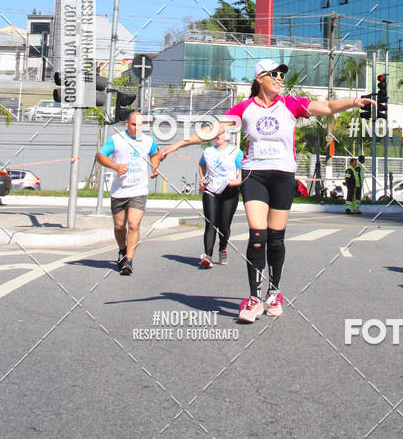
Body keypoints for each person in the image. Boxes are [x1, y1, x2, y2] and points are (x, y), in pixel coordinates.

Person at [160, 58, 375, 322]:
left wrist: (354, 102)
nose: (280, 79)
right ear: (259, 78)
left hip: (283, 175)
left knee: (276, 238)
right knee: (257, 234)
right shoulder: (244, 108)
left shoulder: (291, 105)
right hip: (254, 176)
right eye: (274, 74)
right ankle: (253, 298)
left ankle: (274, 292)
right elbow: (212, 129)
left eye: (282, 75)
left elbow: (328, 107)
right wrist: (177, 144)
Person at [96, 111, 159, 276]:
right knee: (119, 226)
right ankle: (122, 249)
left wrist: (155, 166)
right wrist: (116, 167)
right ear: (127, 124)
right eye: (133, 125)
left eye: (140, 125)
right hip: (119, 189)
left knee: (133, 224)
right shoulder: (117, 139)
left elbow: (155, 154)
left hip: (139, 189)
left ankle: (129, 261)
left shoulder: (148, 141)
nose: (137, 128)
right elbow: (100, 156)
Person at [197, 132, 244, 268]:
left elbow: (242, 169)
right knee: (211, 222)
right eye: (216, 134)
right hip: (211, 190)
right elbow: (201, 165)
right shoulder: (208, 151)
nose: (217, 136)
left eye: (221, 134)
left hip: (229, 191)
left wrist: (237, 182)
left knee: (224, 225)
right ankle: (207, 256)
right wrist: (203, 178)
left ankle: (222, 248)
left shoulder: (235, 151)